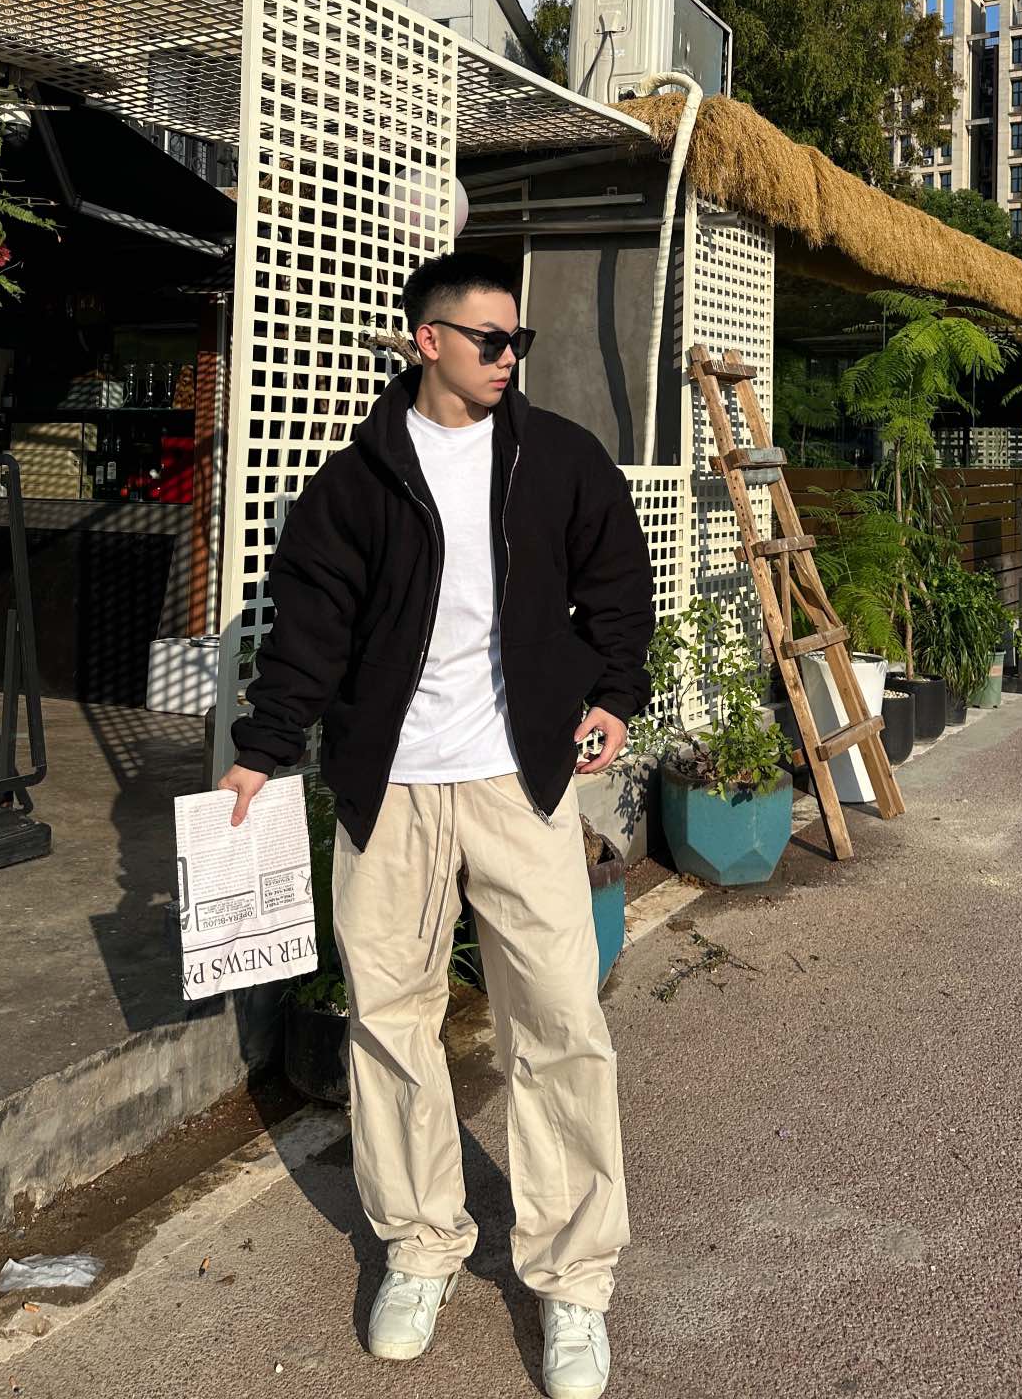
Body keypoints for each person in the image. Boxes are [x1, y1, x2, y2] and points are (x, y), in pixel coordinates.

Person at [218, 250, 654, 1399]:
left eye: (520, 342)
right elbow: (308, 630)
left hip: (521, 785)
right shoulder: (356, 482)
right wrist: (263, 751)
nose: (510, 359)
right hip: (391, 790)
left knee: (559, 1021)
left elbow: (619, 585)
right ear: (429, 342)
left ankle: (573, 1283)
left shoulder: (559, 460)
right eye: (491, 341)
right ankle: (420, 1246)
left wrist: (613, 695)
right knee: (390, 1020)